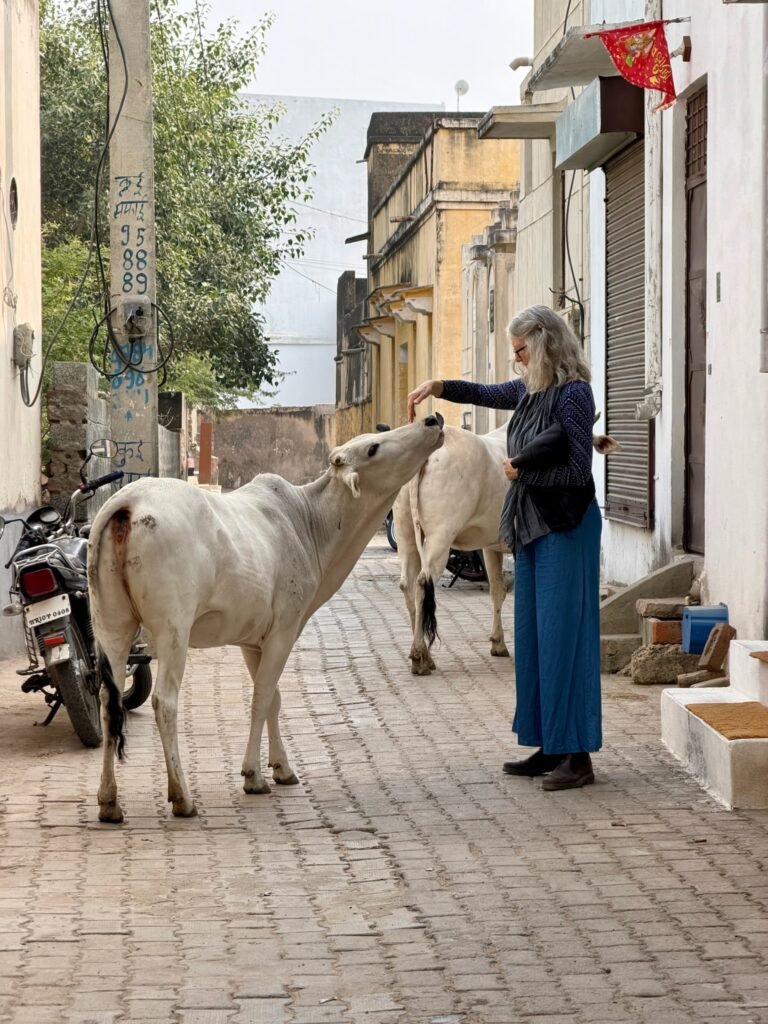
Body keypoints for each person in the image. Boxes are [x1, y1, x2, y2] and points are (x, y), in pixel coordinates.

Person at [407, 304, 602, 791]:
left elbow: (578, 471)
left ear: (544, 344)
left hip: (566, 527)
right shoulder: (529, 391)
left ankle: (577, 756)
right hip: (531, 528)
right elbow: (485, 392)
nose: (516, 360)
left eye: (521, 351)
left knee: (563, 639)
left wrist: (522, 472)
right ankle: (550, 745)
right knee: (534, 641)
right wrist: (437, 387)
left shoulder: (575, 395)